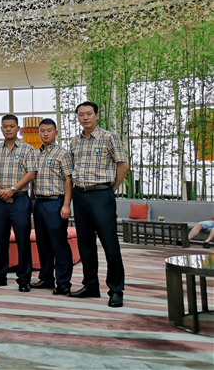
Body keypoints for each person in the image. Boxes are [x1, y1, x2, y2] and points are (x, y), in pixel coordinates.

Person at [69, 101, 129, 308]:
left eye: (89, 113)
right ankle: (90, 285)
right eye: (81, 114)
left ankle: (116, 290)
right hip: (80, 195)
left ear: (96, 115)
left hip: (101, 195)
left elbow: (123, 165)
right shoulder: (74, 142)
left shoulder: (109, 137)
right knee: (85, 244)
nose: (85, 117)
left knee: (109, 243)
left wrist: (112, 188)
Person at [0, 114, 37, 292]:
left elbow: (31, 173)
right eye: (5, 126)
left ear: (18, 128)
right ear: (1, 129)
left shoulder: (27, 149)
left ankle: (24, 279)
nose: (8, 129)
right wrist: (0, 191)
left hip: (20, 200)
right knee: (0, 240)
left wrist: (12, 189)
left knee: (23, 241)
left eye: (12, 126)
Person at [30, 118, 74, 295]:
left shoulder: (62, 154)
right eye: (42, 131)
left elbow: (68, 181)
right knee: (43, 243)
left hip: (56, 203)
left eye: (49, 130)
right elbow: (32, 180)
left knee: (59, 243)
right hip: (39, 203)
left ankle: (63, 283)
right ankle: (46, 278)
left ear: (56, 132)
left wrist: (66, 205)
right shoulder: (35, 154)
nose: (45, 133)